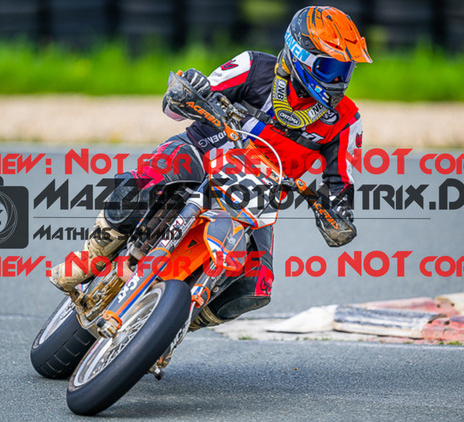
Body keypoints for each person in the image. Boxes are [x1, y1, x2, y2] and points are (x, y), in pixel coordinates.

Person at [49, 6, 372, 330]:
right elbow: (176, 106)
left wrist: (337, 210)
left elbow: (341, 181)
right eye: (329, 68)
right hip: (200, 152)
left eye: (345, 71)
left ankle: (170, 324)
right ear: (299, 56)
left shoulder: (346, 119)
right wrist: (187, 90)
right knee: (147, 180)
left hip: (257, 195)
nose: (338, 81)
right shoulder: (253, 67)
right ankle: (91, 255)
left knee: (256, 286)